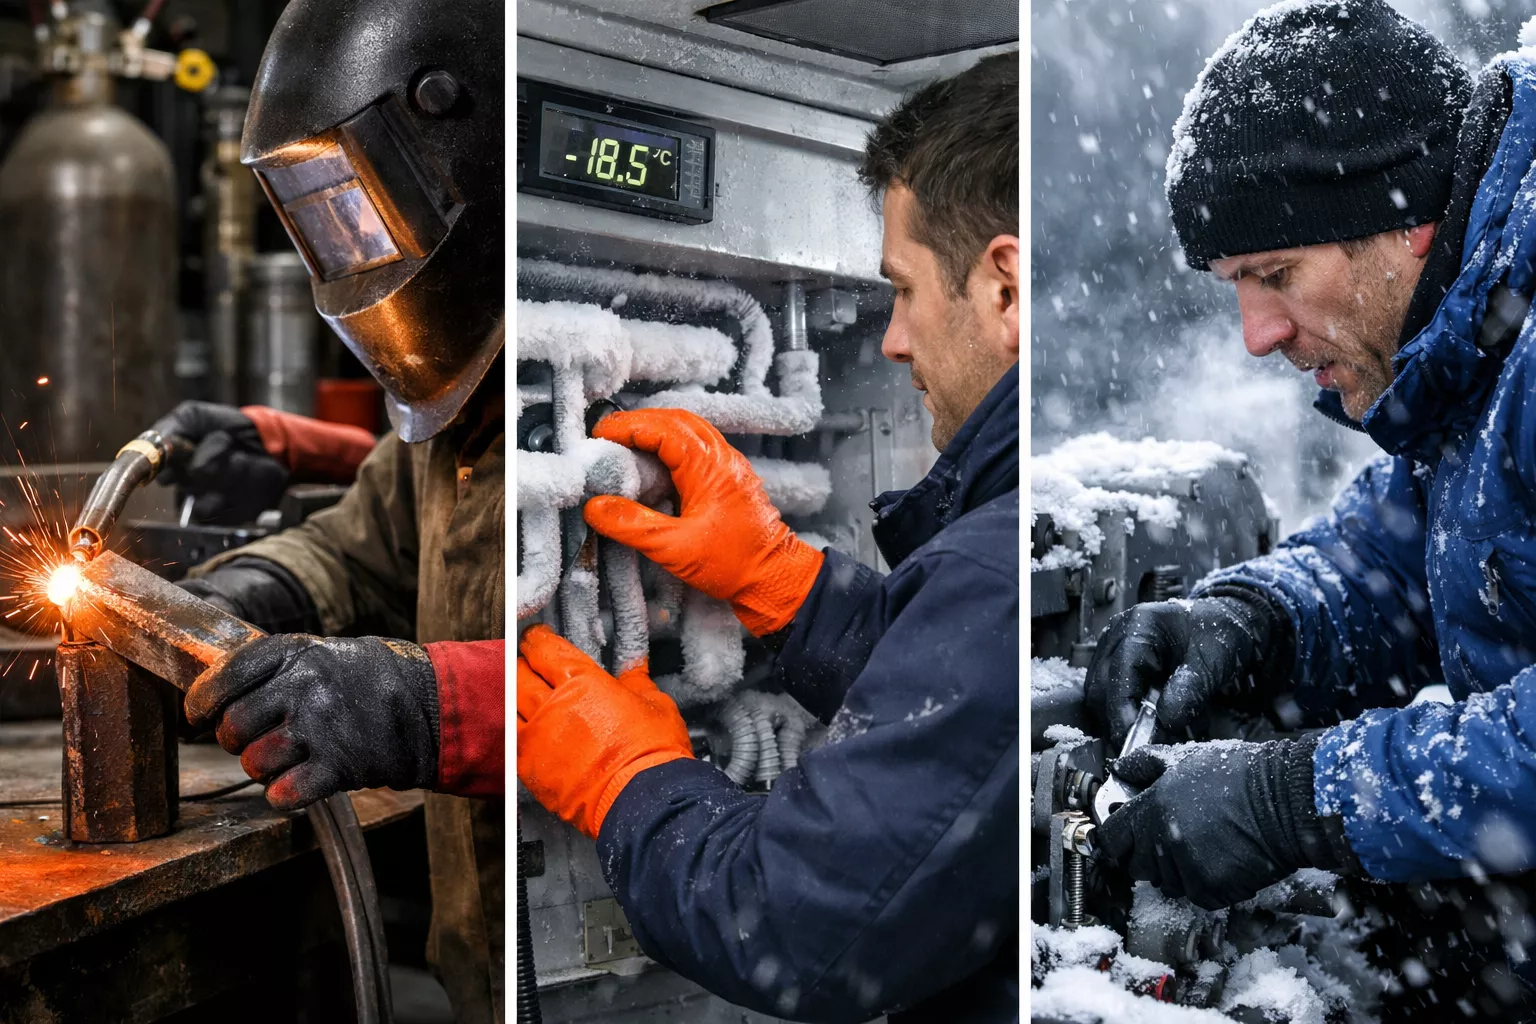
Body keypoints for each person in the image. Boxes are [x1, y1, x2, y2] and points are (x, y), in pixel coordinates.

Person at [517, 53, 1020, 1022]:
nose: (892, 341)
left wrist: (628, 781)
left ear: (1003, 288)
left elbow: (797, 926)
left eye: (904, 291)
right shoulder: (1006, 545)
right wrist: (788, 584)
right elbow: (972, 722)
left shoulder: (994, 559)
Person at [1089, 0, 1536, 917]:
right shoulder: (1469, 358)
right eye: (1237, 287)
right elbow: (1396, 559)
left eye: (1278, 274)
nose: (1257, 335)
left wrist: (1300, 799)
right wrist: (1252, 623)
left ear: (1406, 222)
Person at [151, 1, 507, 1020]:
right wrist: (248, 589)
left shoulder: (590, 386)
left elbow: (646, 686)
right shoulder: (451, 419)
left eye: (357, 206)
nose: (350, 251)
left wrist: (416, 706)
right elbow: (367, 543)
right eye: (322, 216)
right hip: (477, 971)